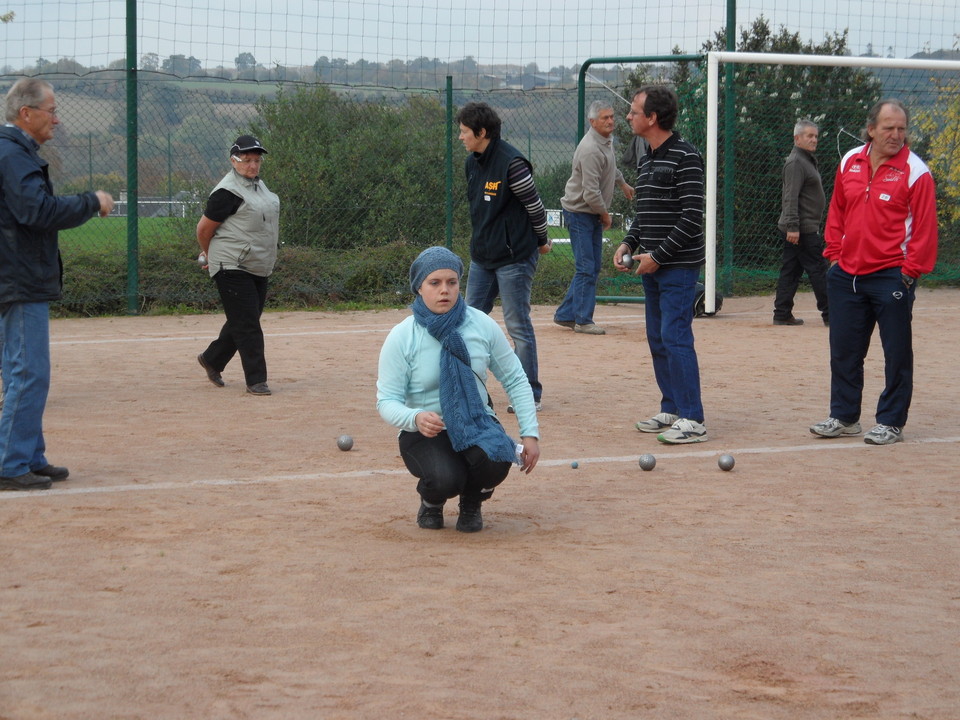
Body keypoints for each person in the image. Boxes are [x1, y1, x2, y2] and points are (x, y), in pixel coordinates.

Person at [0, 78, 115, 491]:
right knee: (29, 373)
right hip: (19, 280)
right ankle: (11, 465)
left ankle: (28, 455)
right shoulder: (12, 155)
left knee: (20, 373)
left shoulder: (13, 152)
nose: (57, 118)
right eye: (51, 110)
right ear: (25, 113)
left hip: (13, 277)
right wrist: (90, 201)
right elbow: (37, 210)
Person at [377, 246, 541, 533]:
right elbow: (386, 401)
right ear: (419, 288)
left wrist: (530, 433)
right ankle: (431, 501)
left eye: (452, 282)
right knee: (445, 477)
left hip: (476, 421)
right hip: (426, 431)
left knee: (497, 457)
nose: (445, 290)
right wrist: (414, 417)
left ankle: (472, 502)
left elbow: (516, 379)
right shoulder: (403, 335)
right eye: (435, 283)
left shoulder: (481, 324)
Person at [810, 99, 938, 445]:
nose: (896, 135)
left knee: (896, 352)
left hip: (891, 276)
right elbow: (836, 211)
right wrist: (834, 255)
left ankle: (891, 421)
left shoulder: (916, 171)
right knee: (844, 350)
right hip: (845, 275)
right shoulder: (850, 160)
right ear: (871, 130)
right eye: (888, 128)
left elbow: (925, 230)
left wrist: (909, 273)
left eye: (901, 128)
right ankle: (845, 416)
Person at [613, 85, 708, 445]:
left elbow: (691, 218)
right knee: (657, 336)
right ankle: (671, 407)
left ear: (652, 118)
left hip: (677, 266)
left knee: (675, 336)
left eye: (634, 111)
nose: (628, 116)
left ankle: (693, 418)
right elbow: (645, 212)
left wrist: (657, 256)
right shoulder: (647, 157)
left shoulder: (686, 156)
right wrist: (630, 241)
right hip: (651, 263)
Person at [456, 101, 551, 412]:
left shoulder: (513, 164)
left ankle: (529, 395)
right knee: (468, 319)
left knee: (517, 325)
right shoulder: (472, 163)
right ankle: (469, 388)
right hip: (483, 256)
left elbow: (536, 208)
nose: (461, 137)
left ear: (482, 132)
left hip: (514, 258)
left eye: (465, 132)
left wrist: (541, 239)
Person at [196, 135, 280, 396]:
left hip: (257, 262)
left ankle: (212, 358)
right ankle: (256, 380)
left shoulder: (258, 186)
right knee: (248, 324)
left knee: (245, 318)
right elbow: (203, 229)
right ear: (233, 161)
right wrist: (210, 256)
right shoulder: (226, 193)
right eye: (246, 160)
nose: (253, 166)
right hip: (231, 263)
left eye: (257, 160)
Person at [554, 100, 635, 335]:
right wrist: (605, 214)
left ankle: (566, 314)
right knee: (586, 267)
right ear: (592, 122)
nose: (611, 121)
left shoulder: (605, 142)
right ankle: (583, 320)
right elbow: (590, 192)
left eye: (611, 116)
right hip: (581, 213)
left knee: (591, 267)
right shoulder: (590, 149)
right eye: (605, 118)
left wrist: (622, 183)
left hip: (590, 213)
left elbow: (610, 168)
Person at [773, 119, 829, 326]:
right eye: (809, 136)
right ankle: (831, 314)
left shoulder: (806, 160)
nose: (814, 139)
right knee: (819, 269)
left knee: (791, 269)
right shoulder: (796, 162)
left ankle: (782, 313)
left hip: (801, 228)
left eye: (815, 136)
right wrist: (793, 227)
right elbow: (790, 197)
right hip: (801, 229)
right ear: (797, 138)